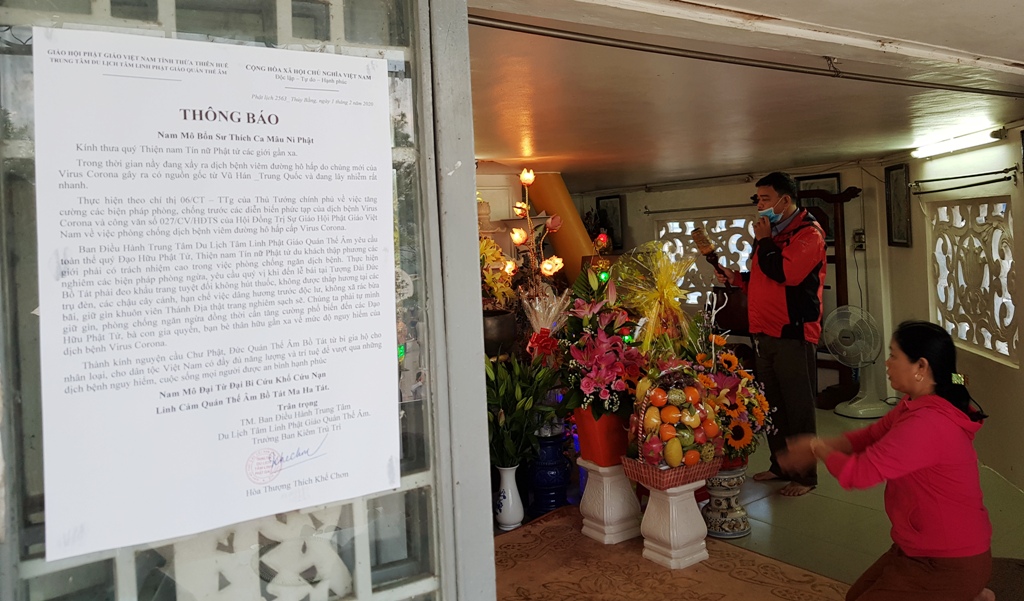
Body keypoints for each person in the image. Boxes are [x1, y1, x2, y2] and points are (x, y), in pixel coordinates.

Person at [780, 320, 994, 601]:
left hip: (948, 561)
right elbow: (871, 435)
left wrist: (817, 449)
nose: (887, 363)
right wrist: (821, 446)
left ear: (921, 367)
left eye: (894, 355)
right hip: (915, 548)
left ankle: (966, 592)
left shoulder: (927, 423)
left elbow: (859, 474)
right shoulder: (912, 403)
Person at [715, 171, 827, 496]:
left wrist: (764, 241)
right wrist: (736, 278)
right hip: (762, 331)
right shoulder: (769, 234)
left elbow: (786, 273)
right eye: (758, 199)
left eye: (765, 199)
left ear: (785, 200)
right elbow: (762, 276)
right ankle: (781, 465)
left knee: (797, 407)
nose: (760, 205)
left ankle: (805, 477)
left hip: (792, 332)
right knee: (771, 405)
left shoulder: (808, 234)